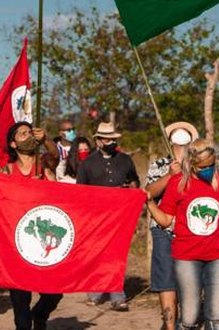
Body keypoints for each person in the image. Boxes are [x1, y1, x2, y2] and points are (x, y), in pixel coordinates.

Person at [145, 139, 219, 330]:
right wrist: (150, 203)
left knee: (215, 316)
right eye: (204, 167)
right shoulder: (177, 184)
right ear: (192, 165)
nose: (209, 169)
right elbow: (165, 221)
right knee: (189, 317)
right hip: (187, 257)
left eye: (212, 165)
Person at [1, 121, 62, 329]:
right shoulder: (7, 170)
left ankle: (41, 313)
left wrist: (46, 139)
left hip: (45, 238)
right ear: (13, 144)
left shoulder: (43, 164)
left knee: (54, 292)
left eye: (30, 132)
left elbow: (55, 156)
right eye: (22, 134)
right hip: (18, 241)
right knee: (20, 301)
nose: (28, 136)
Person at [76, 121, 139, 311]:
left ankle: (117, 294)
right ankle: (95, 291)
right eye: (106, 139)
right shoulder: (87, 164)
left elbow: (135, 180)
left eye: (113, 139)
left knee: (117, 253)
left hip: (121, 214)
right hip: (96, 216)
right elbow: (80, 192)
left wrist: (131, 188)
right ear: (98, 141)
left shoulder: (125, 160)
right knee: (98, 253)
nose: (110, 142)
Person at [144, 121, 199, 330]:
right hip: (163, 229)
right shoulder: (159, 165)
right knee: (166, 279)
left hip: (191, 231)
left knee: (189, 281)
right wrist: (169, 175)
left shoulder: (198, 166)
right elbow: (149, 192)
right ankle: (169, 324)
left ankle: (186, 321)